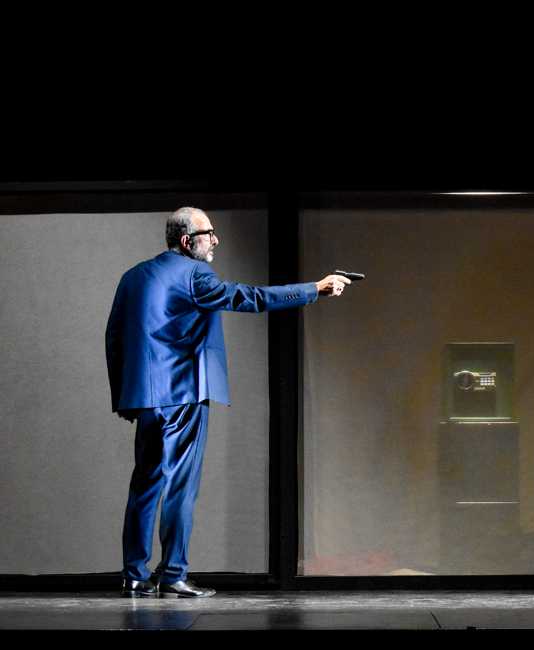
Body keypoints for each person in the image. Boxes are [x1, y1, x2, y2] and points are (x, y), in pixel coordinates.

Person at [105, 207, 350, 598]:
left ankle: (134, 576)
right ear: (187, 241)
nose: (215, 240)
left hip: (146, 398)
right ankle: (173, 575)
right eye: (209, 233)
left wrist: (125, 396)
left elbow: (115, 337)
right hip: (184, 394)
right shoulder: (196, 274)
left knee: (145, 485)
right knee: (180, 487)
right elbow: (248, 298)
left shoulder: (133, 277)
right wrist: (313, 289)